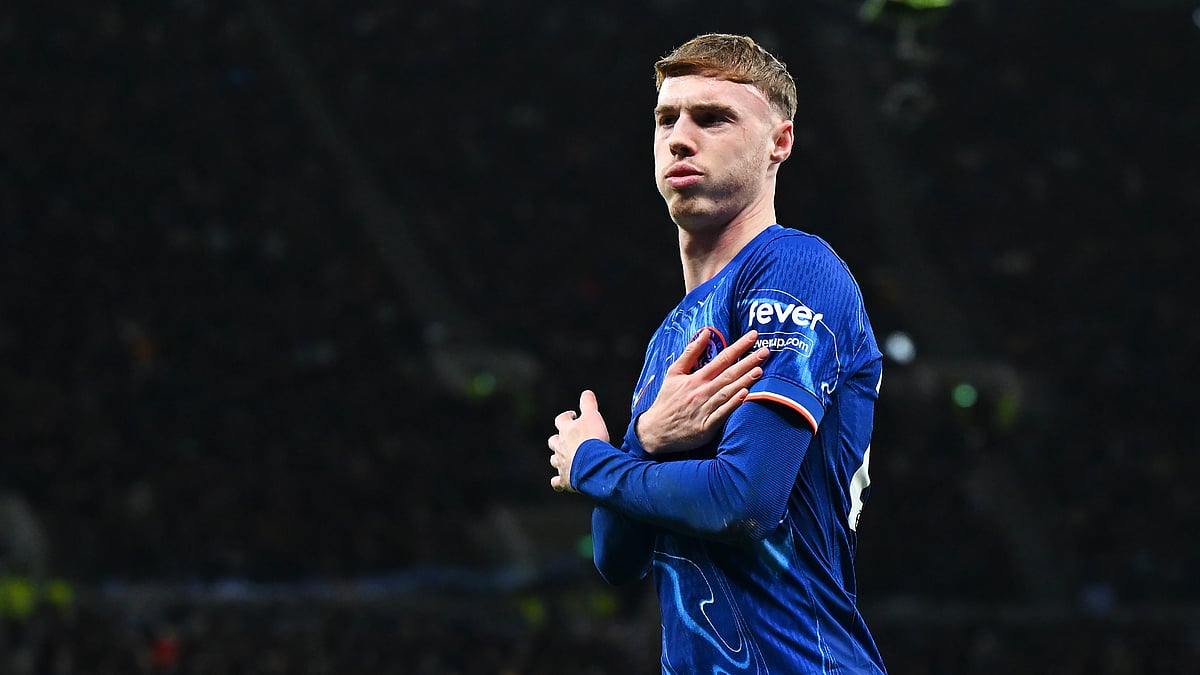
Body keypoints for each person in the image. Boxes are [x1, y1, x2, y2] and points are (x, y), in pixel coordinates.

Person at [547, 33, 888, 673]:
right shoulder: (668, 338)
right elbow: (618, 559)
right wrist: (644, 439)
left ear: (778, 143)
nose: (680, 137)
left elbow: (742, 502)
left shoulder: (795, 268)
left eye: (712, 118)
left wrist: (593, 460)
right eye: (666, 119)